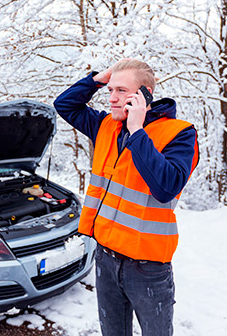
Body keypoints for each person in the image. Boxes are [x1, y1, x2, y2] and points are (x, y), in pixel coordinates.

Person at [53, 59, 199, 336]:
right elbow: (65, 105)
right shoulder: (106, 125)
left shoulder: (180, 134)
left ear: (143, 95)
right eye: (110, 90)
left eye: (121, 90)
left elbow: (166, 186)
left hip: (148, 268)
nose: (112, 98)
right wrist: (97, 78)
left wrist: (137, 131)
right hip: (106, 259)